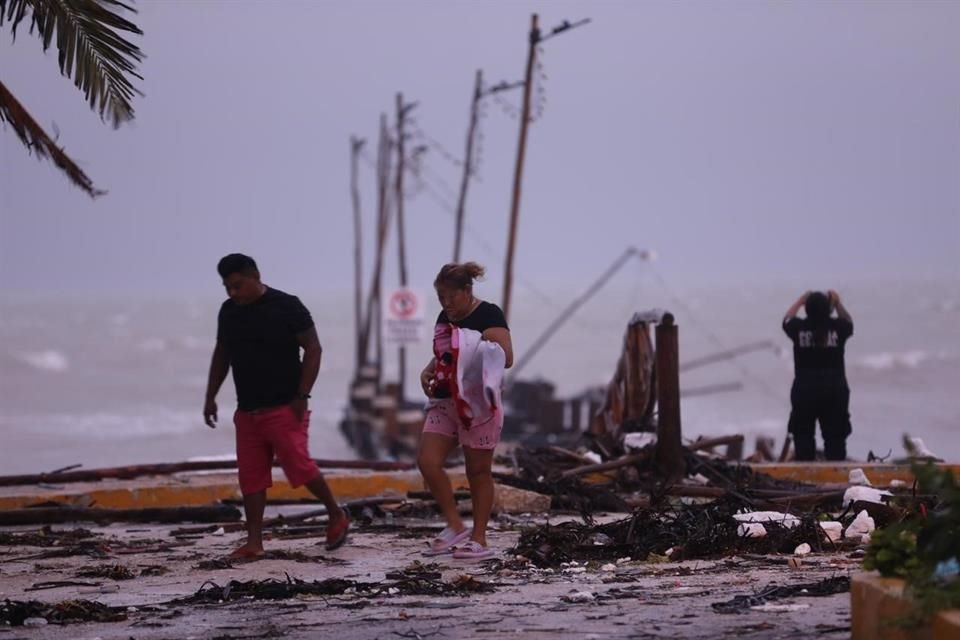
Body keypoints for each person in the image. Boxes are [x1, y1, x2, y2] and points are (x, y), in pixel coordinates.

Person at [203, 254, 349, 559]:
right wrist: (210, 396)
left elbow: (313, 348)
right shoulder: (229, 312)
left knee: (299, 466)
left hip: (285, 406)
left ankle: (336, 514)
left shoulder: (287, 305)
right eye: (227, 287)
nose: (233, 293)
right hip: (248, 410)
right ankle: (254, 541)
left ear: (255, 275)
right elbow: (222, 354)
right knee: (251, 477)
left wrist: (302, 395)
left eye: (238, 285)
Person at [417, 262, 513, 561]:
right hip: (445, 401)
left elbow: (506, 357)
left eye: (451, 297)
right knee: (427, 462)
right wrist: (429, 369)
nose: (446, 304)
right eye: (441, 298)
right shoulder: (445, 316)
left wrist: (475, 344)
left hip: (478, 405)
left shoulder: (489, 314)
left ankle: (479, 539)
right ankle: (455, 525)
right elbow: (445, 353)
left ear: (467, 290)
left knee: (478, 471)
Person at [782, 289, 854, 461]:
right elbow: (849, 322)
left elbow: (786, 320)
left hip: (804, 389)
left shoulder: (799, 328)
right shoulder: (838, 328)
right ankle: (837, 473)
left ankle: (805, 473)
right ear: (828, 309)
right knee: (836, 438)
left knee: (803, 435)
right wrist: (837, 303)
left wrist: (800, 300)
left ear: (806, 309)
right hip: (835, 389)